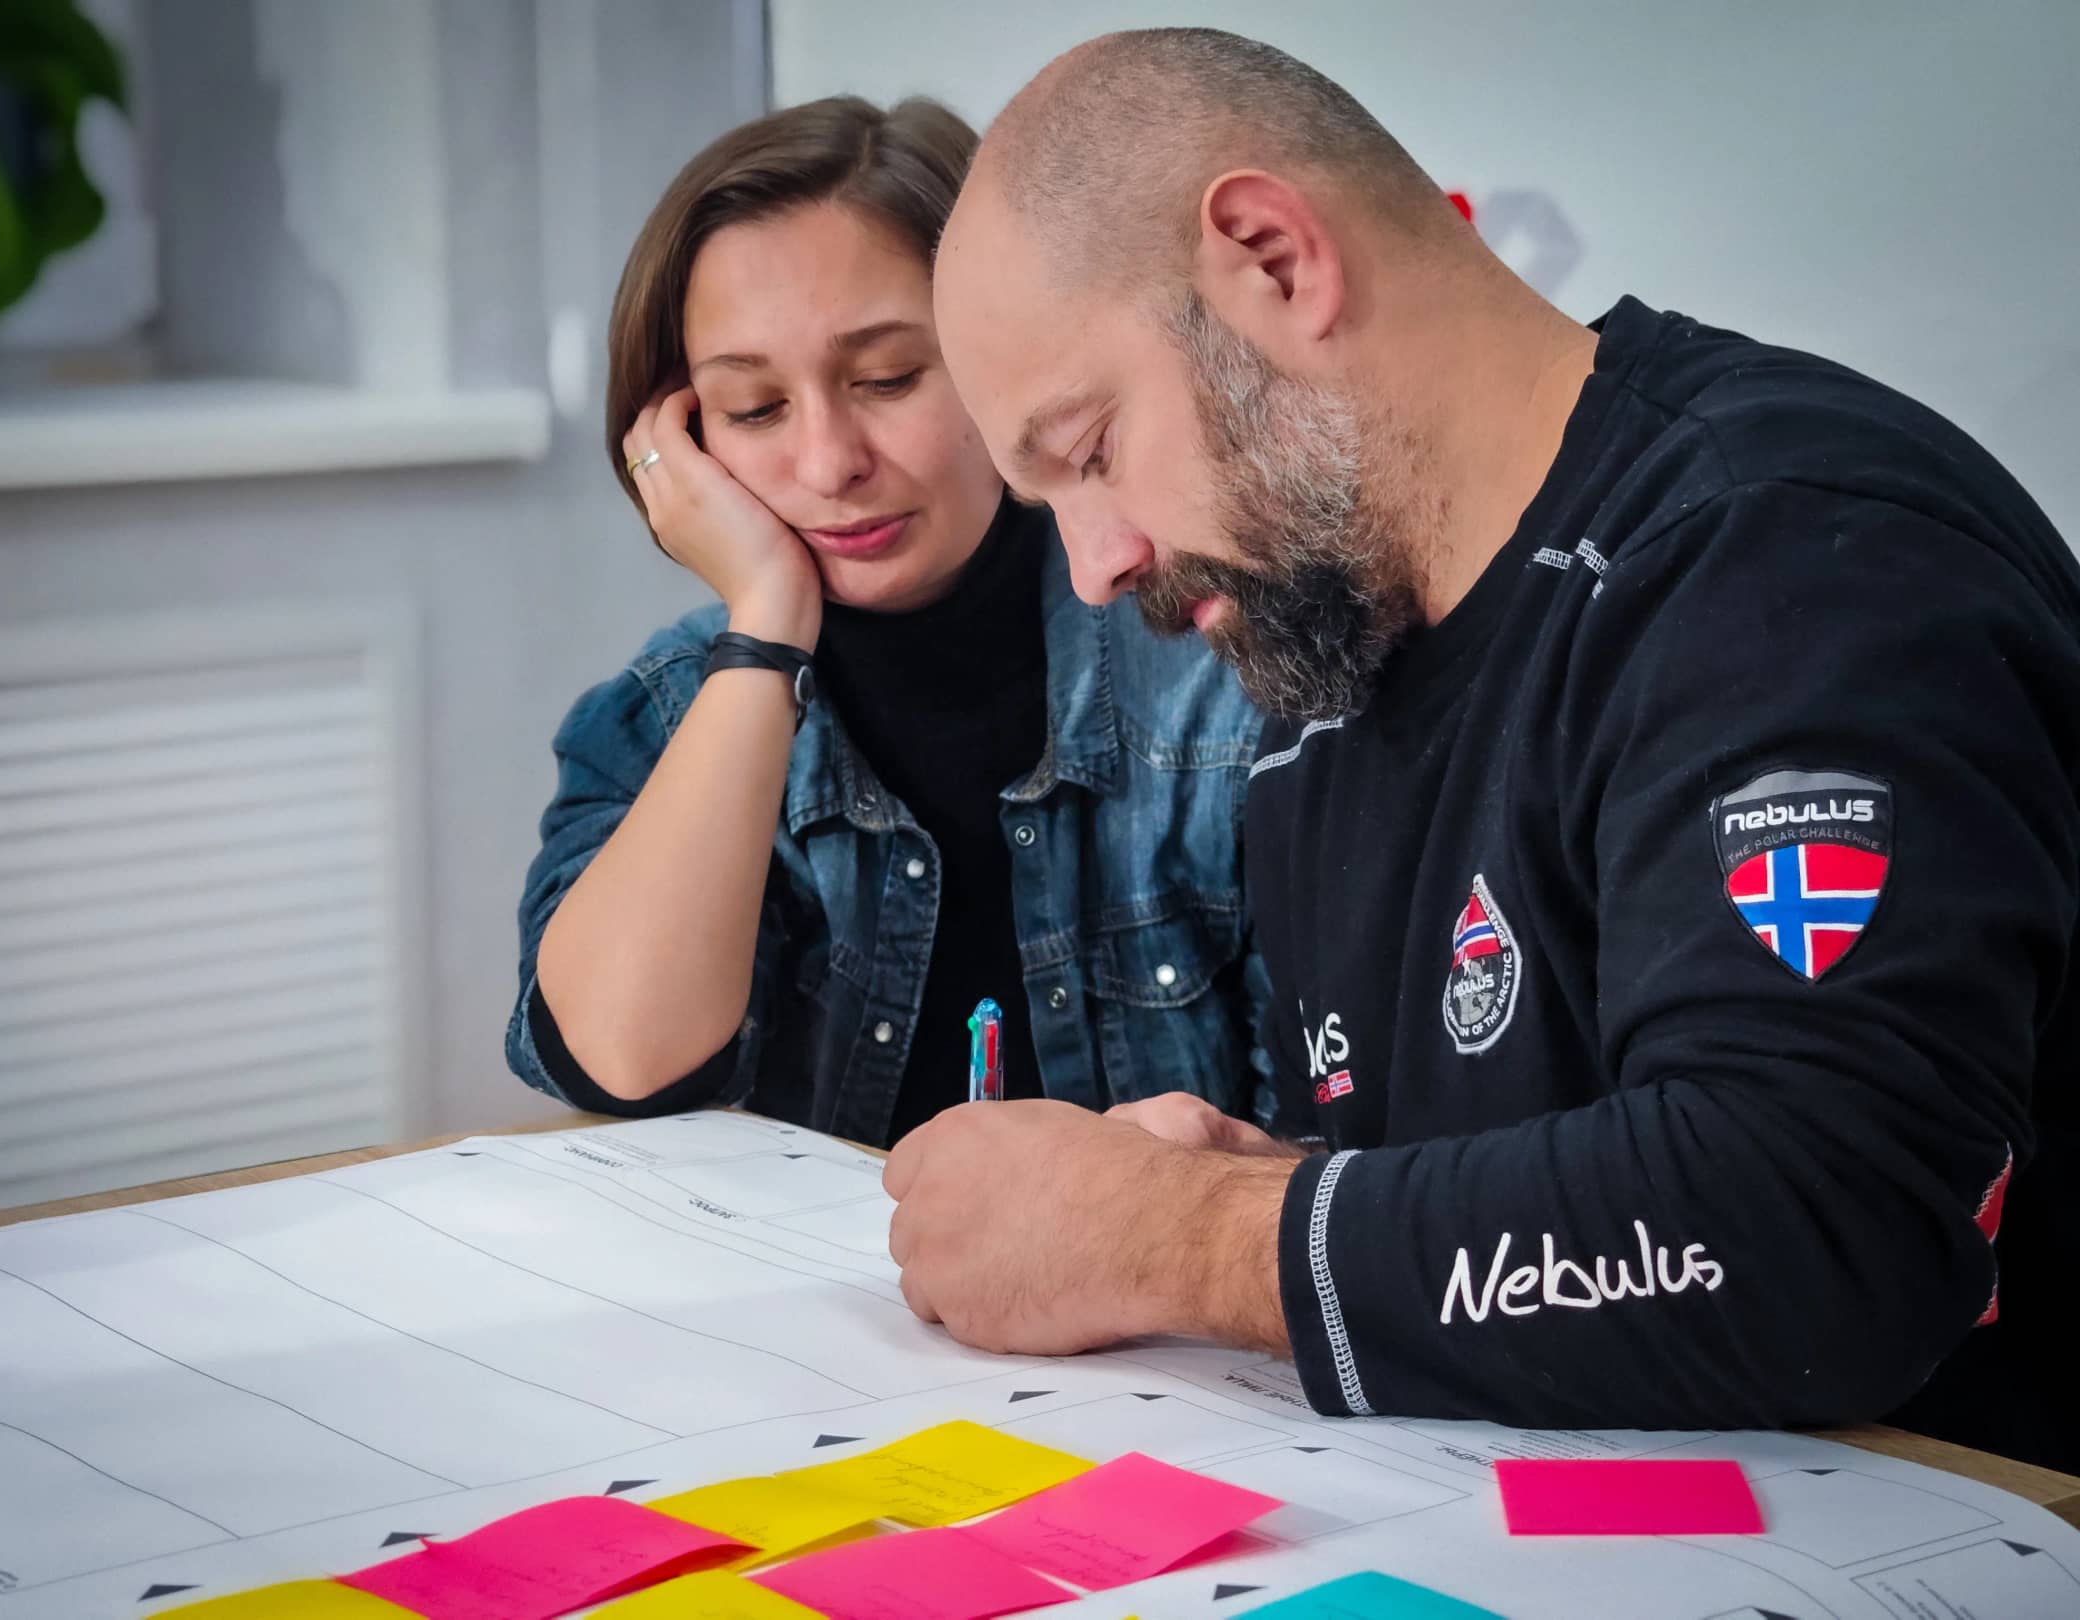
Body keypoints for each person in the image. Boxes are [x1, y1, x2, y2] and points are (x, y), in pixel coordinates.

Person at [888, 27, 2079, 1471]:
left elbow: (1815, 1221)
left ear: (1275, 259)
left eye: (1091, 451)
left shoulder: (1786, 558)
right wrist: (1275, 1190)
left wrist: (1173, 1237)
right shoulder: (1324, 683)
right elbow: (1558, 1196)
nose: (1095, 567)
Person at [505, 95, 1269, 1151]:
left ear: (1004, 356)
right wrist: (765, 627)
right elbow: (619, 1063)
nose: (830, 464)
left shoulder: (1216, 661)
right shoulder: (669, 709)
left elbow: (1349, 1133)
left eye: (887, 379)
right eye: (756, 409)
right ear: (681, 439)